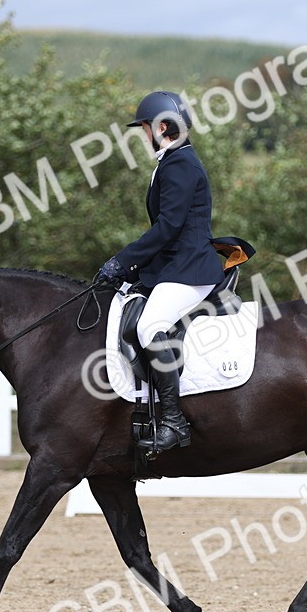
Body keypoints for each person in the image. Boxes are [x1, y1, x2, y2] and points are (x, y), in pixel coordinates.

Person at [97, 90, 226, 453]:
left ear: (162, 127)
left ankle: (173, 420)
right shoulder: (171, 162)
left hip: (191, 269)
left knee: (149, 325)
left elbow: (168, 227)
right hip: (175, 265)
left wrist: (123, 260)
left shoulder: (181, 164)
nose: (142, 136)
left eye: (144, 129)